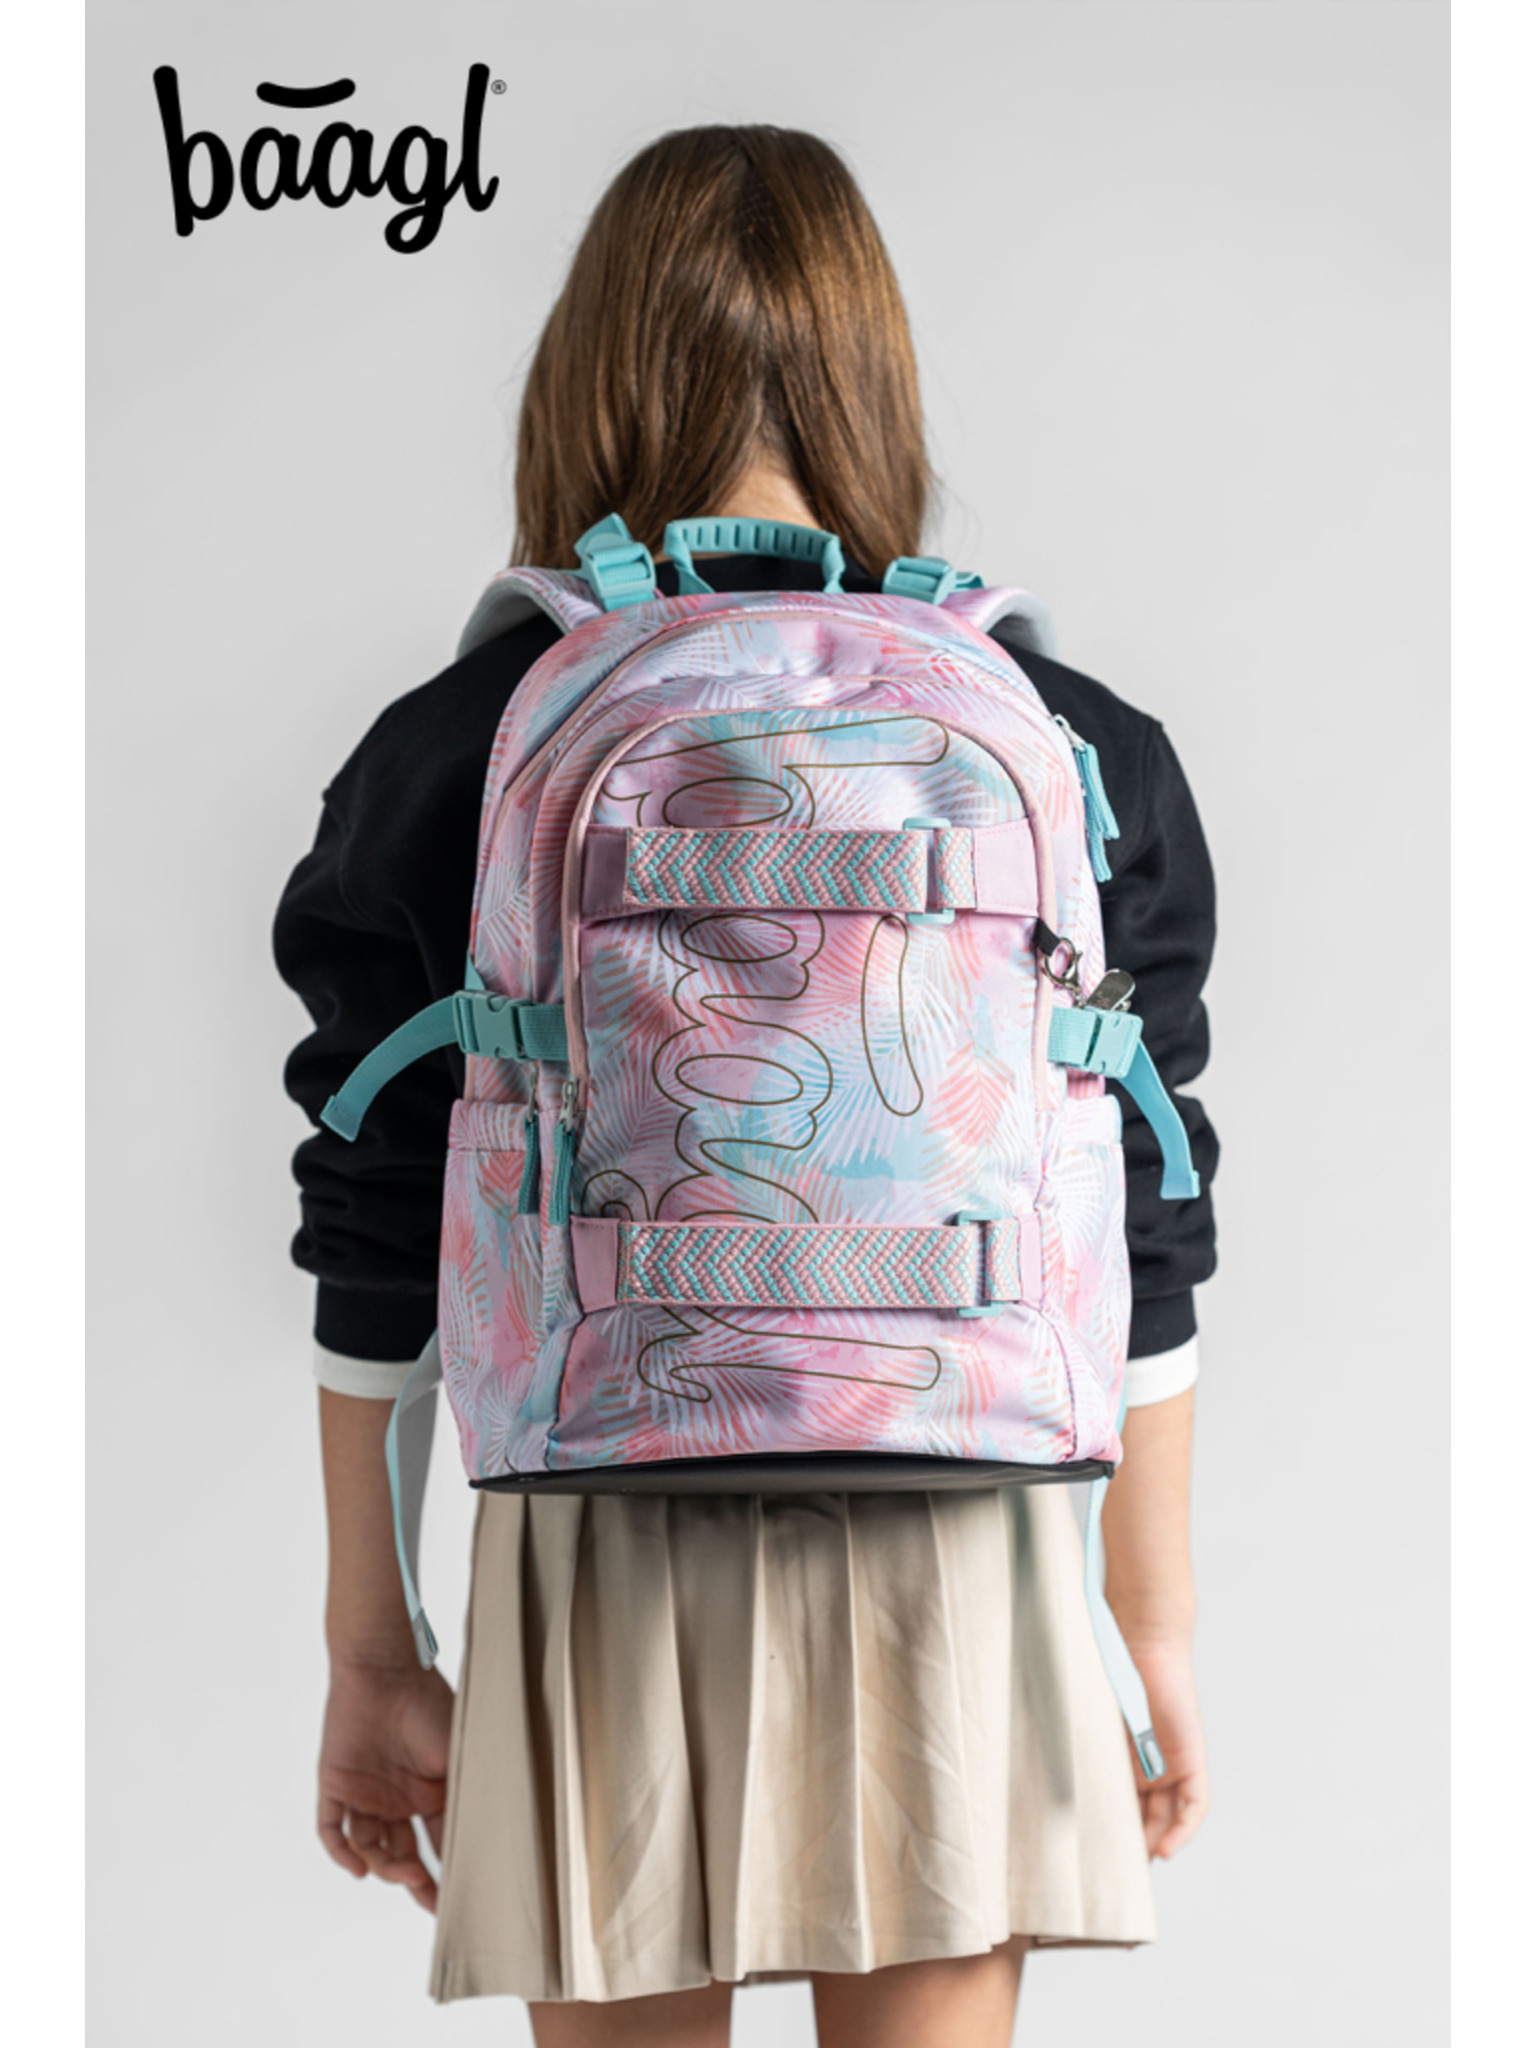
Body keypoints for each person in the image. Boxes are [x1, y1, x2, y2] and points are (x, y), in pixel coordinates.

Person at [275, 124, 1219, 2048]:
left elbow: (372, 1223)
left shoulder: (461, 744)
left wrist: (376, 1647)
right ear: (875, 382)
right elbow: (1150, 1193)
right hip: (968, 1515)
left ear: (587, 378)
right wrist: (1153, 1625)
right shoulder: (1069, 738)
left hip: (600, 1516)